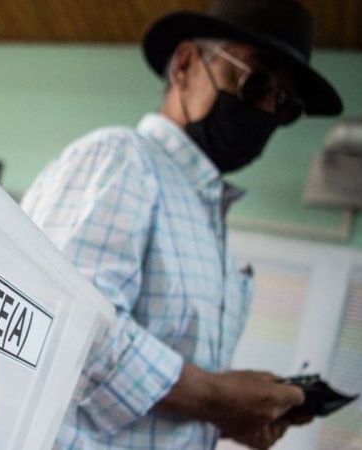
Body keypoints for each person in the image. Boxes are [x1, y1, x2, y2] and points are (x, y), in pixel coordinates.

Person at [20, 0, 343, 449]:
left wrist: (233, 416)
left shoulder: (206, 219)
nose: (268, 109)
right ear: (186, 66)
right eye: (257, 81)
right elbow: (57, 324)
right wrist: (215, 397)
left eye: (285, 106)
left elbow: (153, 399)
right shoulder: (122, 157)